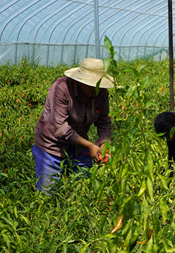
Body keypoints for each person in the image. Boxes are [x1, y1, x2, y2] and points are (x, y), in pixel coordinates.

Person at [32, 58, 114, 193]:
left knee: (84, 188)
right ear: (81, 81)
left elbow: (104, 121)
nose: (97, 89)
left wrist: (104, 143)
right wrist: (90, 146)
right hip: (51, 146)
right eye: (93, 84)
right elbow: (61, 128)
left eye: (99, 85)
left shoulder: (101, 93)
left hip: (78, 146)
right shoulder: (61, 88)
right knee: (48, 193)